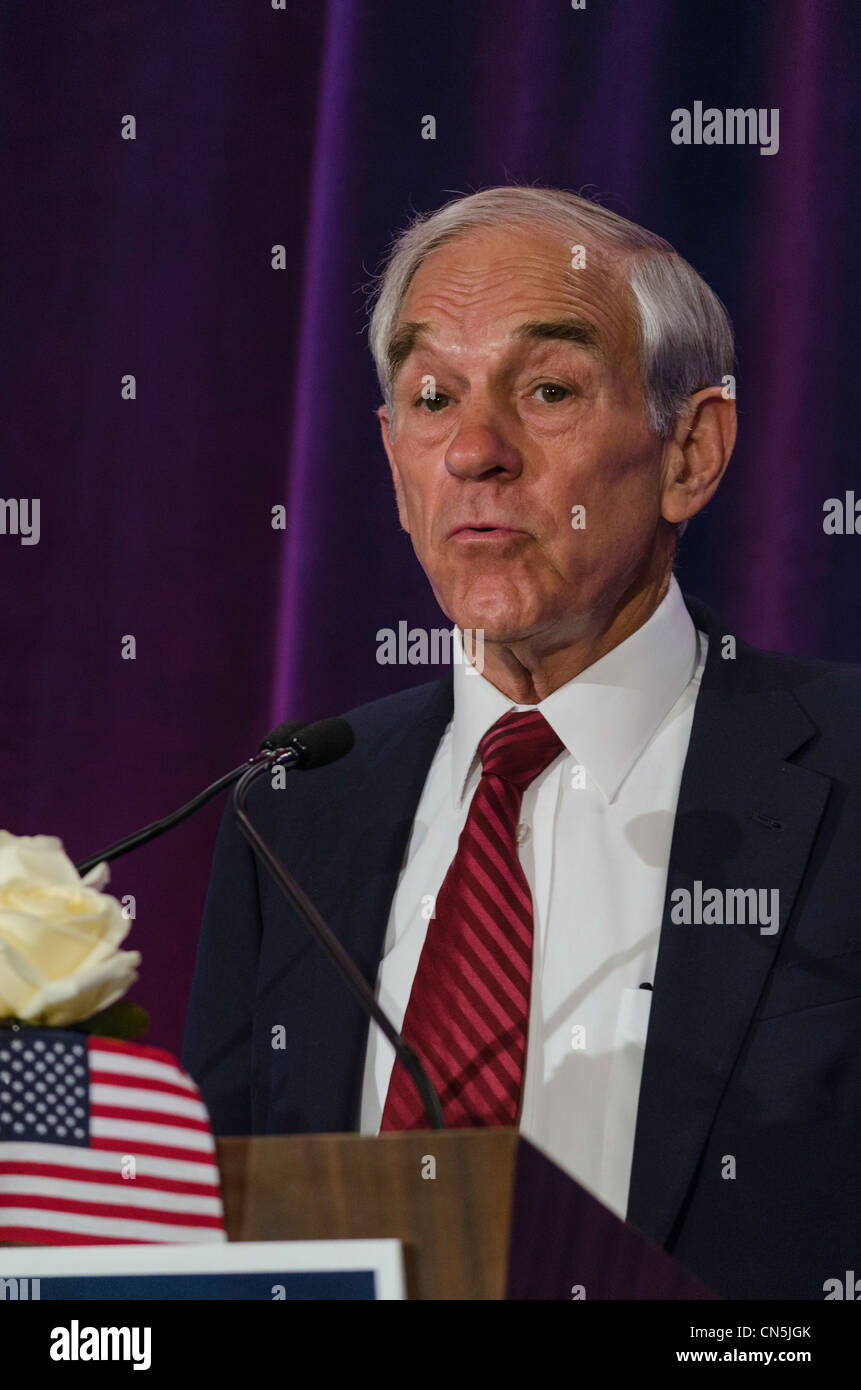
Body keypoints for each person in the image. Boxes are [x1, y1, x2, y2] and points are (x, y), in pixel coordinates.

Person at [183, 186, 861, 1299]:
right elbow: (229, 1230)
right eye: (432, 397)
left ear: (690, 449)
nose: (475, 452)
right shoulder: (295, 805)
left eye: (547, 389)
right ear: (395, 463)